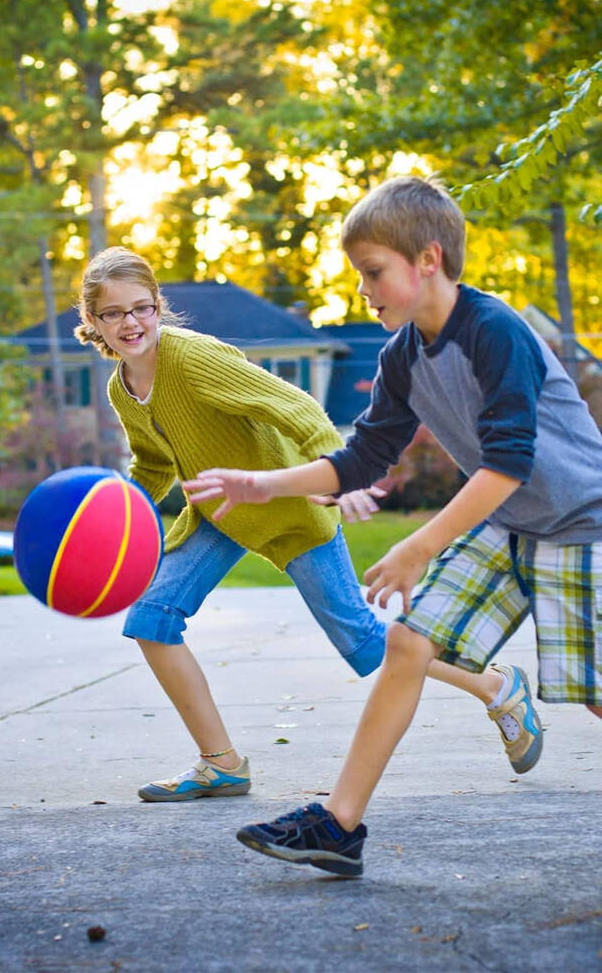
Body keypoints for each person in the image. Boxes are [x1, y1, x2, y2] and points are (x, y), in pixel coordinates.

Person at [184, 175, 602, 876]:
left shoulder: (495, 332)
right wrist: (263, 483)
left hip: (580, 522)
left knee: (594, 693)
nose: (364, 289)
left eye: (374, 272)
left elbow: (504, 464)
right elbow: (362, 458)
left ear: (428, 260)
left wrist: (417, 544)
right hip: (505, 522)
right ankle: (338, 825)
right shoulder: (403, 354)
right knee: (409, 642)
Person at [75, 244, 534, 805]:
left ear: (158, 306)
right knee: (151, 618)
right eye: (114, 313)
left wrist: (337, 478)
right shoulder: (120, 387)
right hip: (221, 511)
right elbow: (152, 463)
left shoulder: (190, 357)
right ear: (92, 322)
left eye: (142, 307)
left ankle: (496, 686)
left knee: (363, 643)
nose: (131, 323)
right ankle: (221, 763)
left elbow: (297, 408)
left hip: (290, 503)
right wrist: (117, 517)